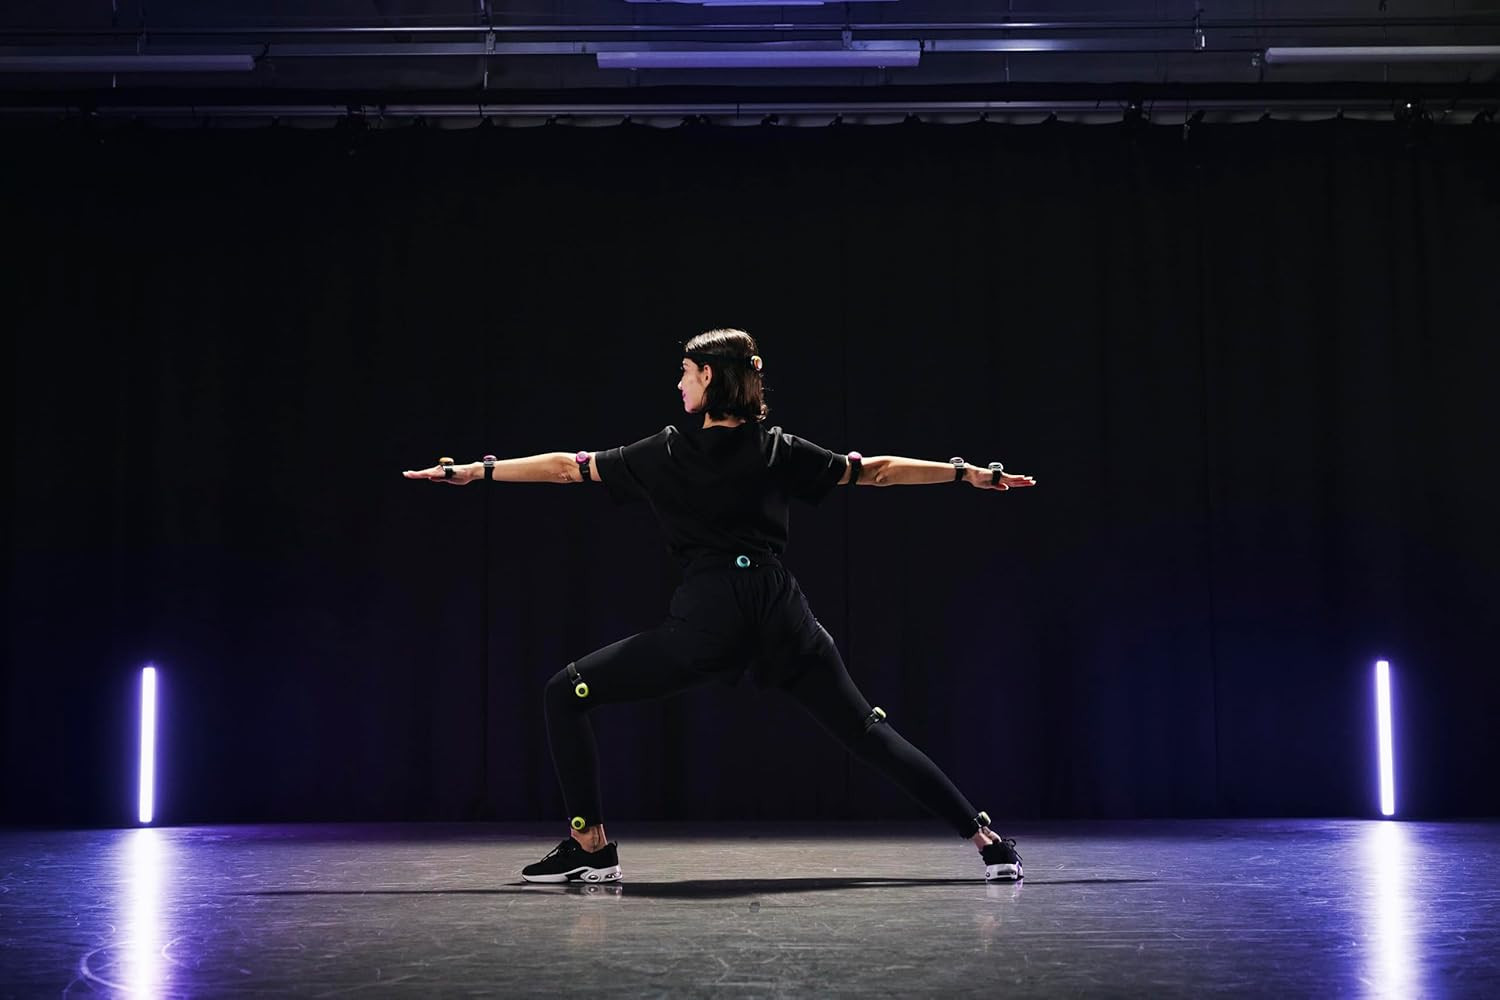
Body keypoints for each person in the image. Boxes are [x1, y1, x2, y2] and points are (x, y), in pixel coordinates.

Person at [403, 328, 1037, 884]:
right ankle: (988, 843)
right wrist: (967, 474)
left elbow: (569, 468)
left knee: (564, 692)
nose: (678, 383)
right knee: (867, 732)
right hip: (781, 612)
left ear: (708, 376)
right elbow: (875, 470)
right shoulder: (778, 447)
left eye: (684, 371)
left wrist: (477, 472)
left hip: (710, 619)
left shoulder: (667, 451)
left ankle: (591, 847)